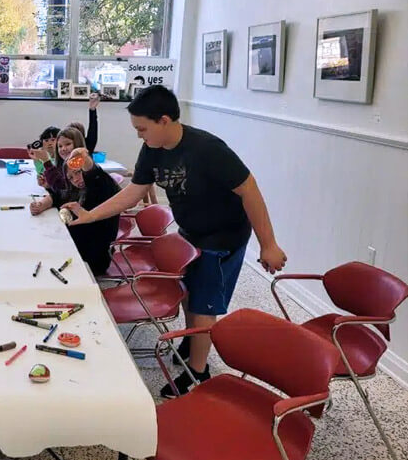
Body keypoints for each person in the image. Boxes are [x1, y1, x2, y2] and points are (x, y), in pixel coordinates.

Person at [63, 85, 287, 397]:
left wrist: (269, 244)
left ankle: (198, 372)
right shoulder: (153, 149)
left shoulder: (207, 149)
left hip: (222, 234)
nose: (139, 135)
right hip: (191, 230)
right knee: (187, 289)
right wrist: (89, 215)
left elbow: (249, 189)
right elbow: (134, 191)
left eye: (142, 128)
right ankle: (192, 339)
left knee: (203, 302)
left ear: (164, 120)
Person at [30, 148, 119, 274]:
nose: (75, 180)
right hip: (75, 247)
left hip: (93, 258)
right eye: (70, 178)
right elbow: (58, 195)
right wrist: (41, 204)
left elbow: (95, 175)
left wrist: (85, 159)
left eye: (78, 173)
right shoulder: (77, 190)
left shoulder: (102, 189)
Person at [33, 127, 85, 193]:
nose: (63, 149)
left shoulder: (83, 165)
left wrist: (46, 161)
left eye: (68, 144)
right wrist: (48, 186)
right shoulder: (63, 165)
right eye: (60, 146)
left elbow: (62, 187)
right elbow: (61, 191)